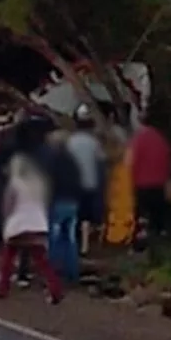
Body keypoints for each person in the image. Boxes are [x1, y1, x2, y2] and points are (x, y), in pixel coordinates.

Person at [0, 141, 63, 304]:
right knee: (41, 260)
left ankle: (2, 288)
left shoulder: (15, 184)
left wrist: (5, 220)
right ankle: (55, 289)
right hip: (37, 222)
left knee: (8, 258)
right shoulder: (39, 184)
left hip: (18, 223)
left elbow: (8, 204)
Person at [66, 104, 106, 256]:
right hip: (90, 183)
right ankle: (85, 246)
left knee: (75, 215)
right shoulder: (94, 142)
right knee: (86, 218)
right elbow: (100, 162)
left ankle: (72, 243)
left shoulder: (70, 142)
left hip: (74, 184)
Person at [44, 129, 83, 282]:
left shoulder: (53, 161)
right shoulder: (73, 161)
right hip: (72, 202)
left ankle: (53, 270)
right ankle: (72, 271)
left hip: (58, 201)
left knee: (54, 237)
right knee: (70, 238)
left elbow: (49, 182)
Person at [129, 113, 171, 238]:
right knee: (157, 214)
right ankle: (160, 237)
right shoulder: (160, 138)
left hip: (142, 183)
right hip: (159, 183)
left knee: (142, 214)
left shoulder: (138, 138)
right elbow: (167, 158)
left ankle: (143, 240)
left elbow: (131, 160)